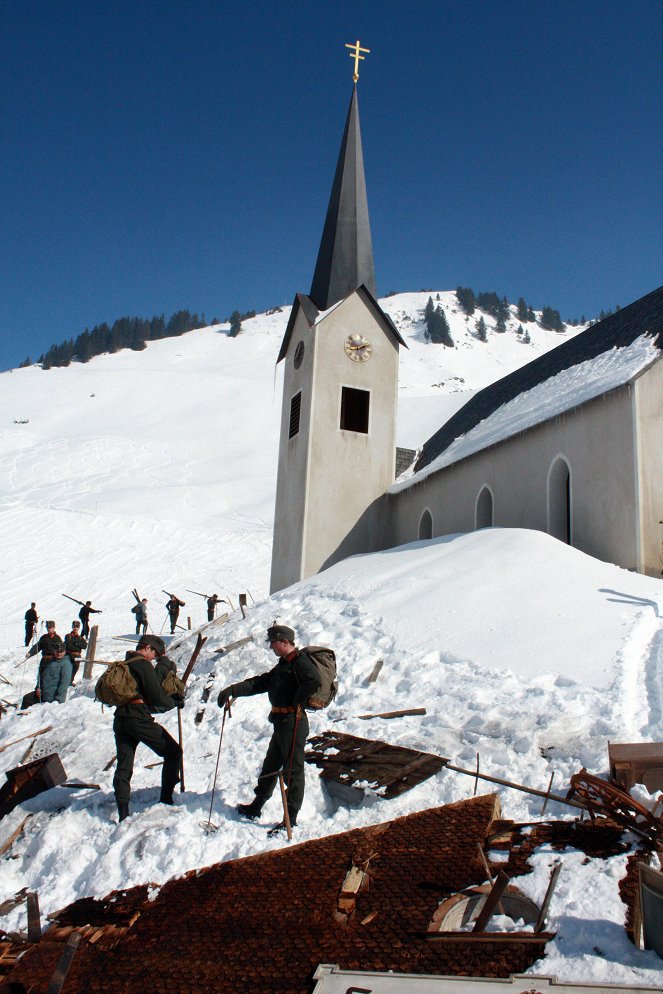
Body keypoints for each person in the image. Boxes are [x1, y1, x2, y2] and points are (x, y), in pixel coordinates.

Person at [217, 623, 319, 831]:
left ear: (284, 642)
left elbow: (314, 680)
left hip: (293, 723)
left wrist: (297, 700)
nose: (271, 646)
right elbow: (261, 682)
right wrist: (233, 690)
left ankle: (290, 818)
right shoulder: (284, 664)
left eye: (273, 642)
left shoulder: (300, 661)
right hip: (281, 723)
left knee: (293, 771)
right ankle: (256, 806)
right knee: (271, 766)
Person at [112, 634, 184, 823]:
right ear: (147, 648)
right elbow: (156, 696)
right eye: (154, 653)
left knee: (123, 766)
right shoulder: (142, 665)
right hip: (138, 719)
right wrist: (174, 702)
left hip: (121, 718)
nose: (154, 657)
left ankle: (123, 812)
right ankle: (166, 799)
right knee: (173, 752)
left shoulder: (126, 662)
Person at [26, 621, 69, 703]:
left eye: (50, 627)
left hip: (52, 660)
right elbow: (38, 646)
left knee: (50, 677)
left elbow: (60, 651)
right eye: (48, 628)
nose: (49, 629)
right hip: (44, 660)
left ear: (54, 628)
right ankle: (39, 691)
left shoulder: (57, 638)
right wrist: (30, 653)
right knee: (40, 675)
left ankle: (49, 694)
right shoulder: (44, 638)